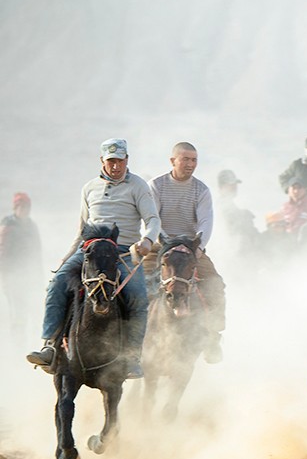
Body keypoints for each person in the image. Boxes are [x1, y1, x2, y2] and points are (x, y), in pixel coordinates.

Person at [26, 139, 160, 378]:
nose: (116, 166)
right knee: (57, 284)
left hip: (123, 252)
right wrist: (66, 259)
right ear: (102, 161)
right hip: (90, 251)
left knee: (138, 297)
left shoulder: (139, 186)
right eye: (111, 161)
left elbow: (153, 220)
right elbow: (81, 229)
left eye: (120, 160)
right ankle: (50, 345)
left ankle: (132, 357)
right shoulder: (89, 188)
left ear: (127, 159)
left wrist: (147, 240)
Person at [147, 142, 227, 363]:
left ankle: (213, 337)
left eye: (194, 160)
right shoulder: (156, 185)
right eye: (186, 159)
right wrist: (166, 243)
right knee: (135, 282)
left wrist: (198, 247)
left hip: (191, 248)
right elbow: (152, 218)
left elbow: (206, 221)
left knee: (215, 283)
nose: (190, 164)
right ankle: (128, 341)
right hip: (160, 245)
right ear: (173, 161)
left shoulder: (201, 190)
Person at [0, 192, 43, 342]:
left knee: (35, 311)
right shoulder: (8, 226)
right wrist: (5, 279)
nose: (25, 210)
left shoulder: (31, 226)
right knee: (18, 314)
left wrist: (40, 276)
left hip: (30, 277)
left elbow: (37, 252)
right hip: (14, 278)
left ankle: (32, 341)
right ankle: (18, 345)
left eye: (27, 207)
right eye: (22, 207)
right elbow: (3, 254)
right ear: (15, 207)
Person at [216, 169, 258, 256]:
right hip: (232, 255)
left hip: (239, 253)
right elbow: (229, 232)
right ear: (221, 187)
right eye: (230, 184)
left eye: (235, 184)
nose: (234, 187)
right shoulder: (221, 206)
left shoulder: (230, 205)